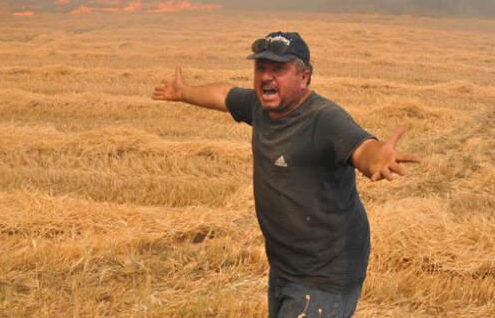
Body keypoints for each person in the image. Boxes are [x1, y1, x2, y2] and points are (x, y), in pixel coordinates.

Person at [152, 31, 419, 318]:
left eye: (278, 69)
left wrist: (377, 157)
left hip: (325, 274)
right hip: (286, 266)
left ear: (304, 77)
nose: (266, 76)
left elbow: (362, 147)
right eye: (260, 67)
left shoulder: (324, 119)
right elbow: (223, 94)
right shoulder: (259, 107)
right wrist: (184, 92)